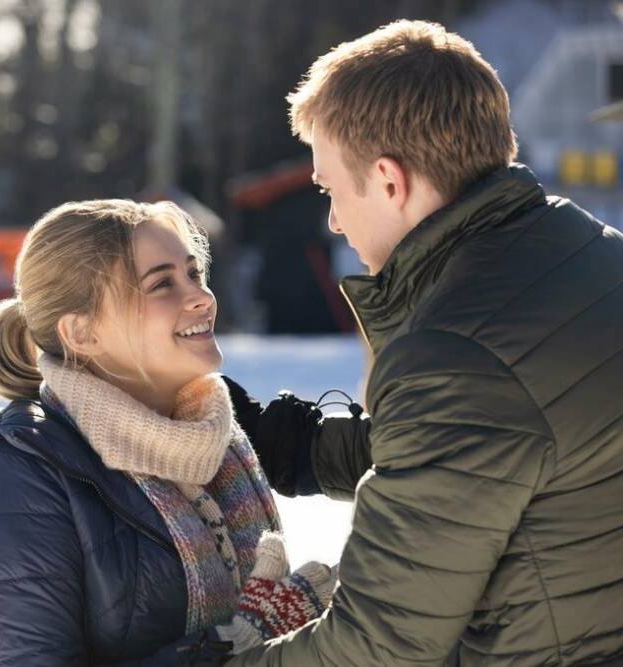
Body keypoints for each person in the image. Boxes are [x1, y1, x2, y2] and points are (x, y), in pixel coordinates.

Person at [225, 19, 623, 666]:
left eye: (330, 189)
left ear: (389, 180)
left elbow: (377, 646)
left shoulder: (457, 350)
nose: (331, 217)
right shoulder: (589, 258)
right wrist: (302, 449)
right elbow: (491, 449)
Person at [0, 199, 341, 666]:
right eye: (162, 284)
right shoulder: (15, 473)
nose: (201, 298)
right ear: (82, 333)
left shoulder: (217, 434)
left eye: (194, 274)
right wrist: (236, 644)